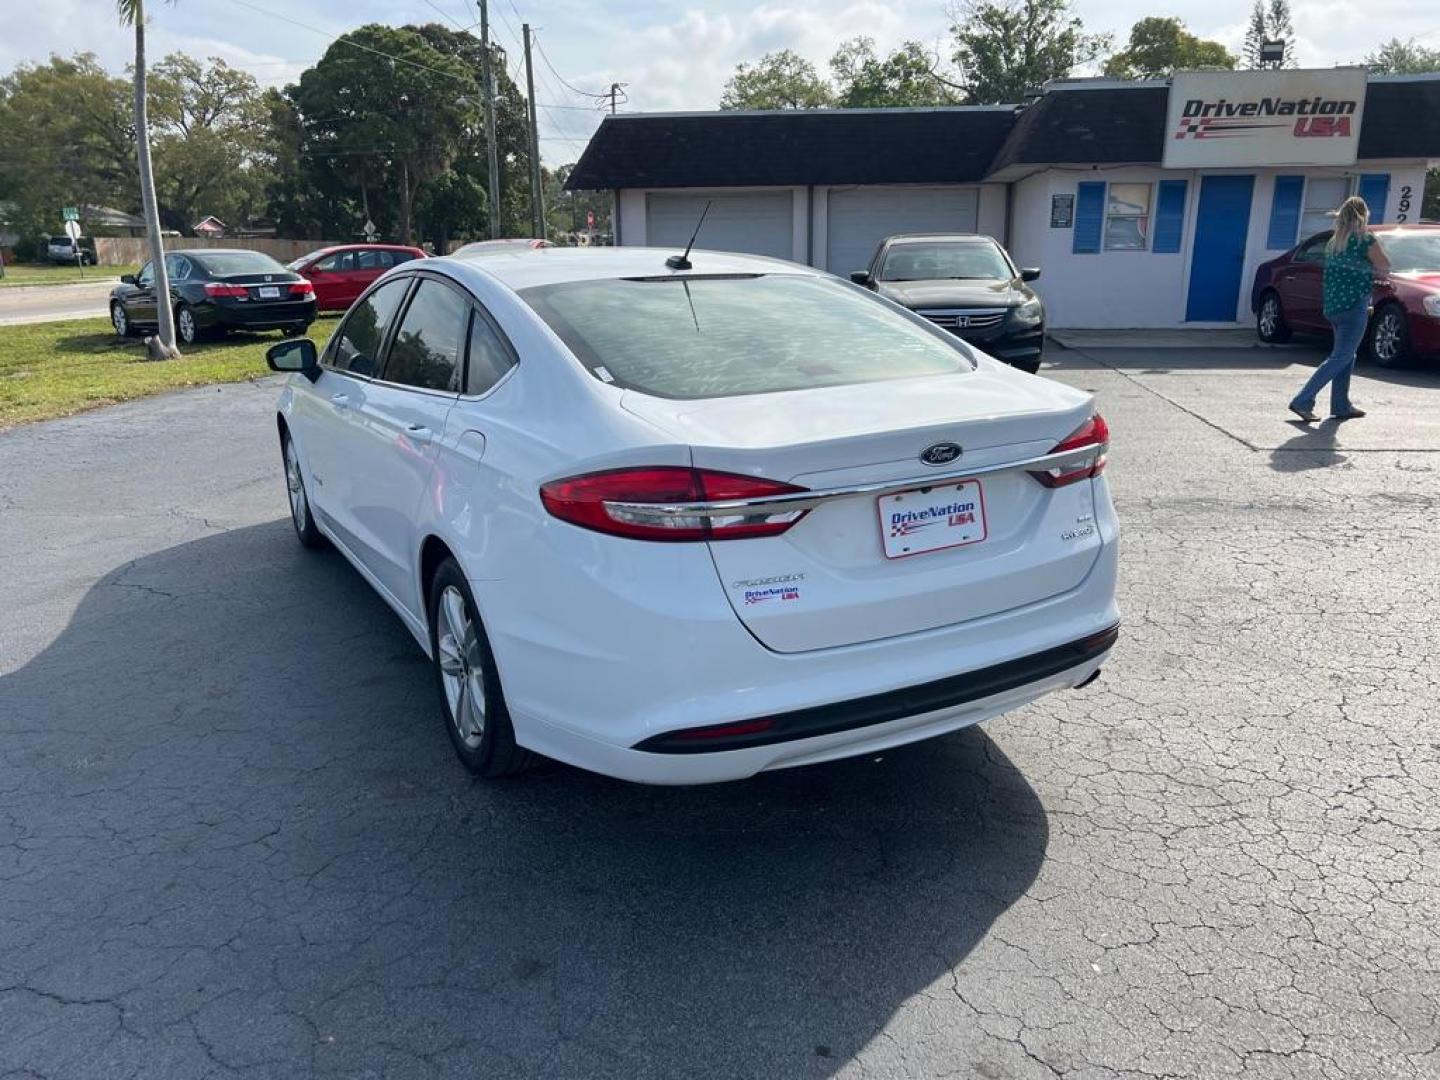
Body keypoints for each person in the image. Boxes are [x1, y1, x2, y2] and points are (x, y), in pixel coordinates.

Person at [1288, 196, 1391, 423]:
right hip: (1355, 305)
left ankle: (1341, 404)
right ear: (1363, 216)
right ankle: (1303, 400)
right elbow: (1384, 266)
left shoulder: (1335, 242)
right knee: (1341, 356)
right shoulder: (1365, 239)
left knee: (1347, 355)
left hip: (1333, 306)